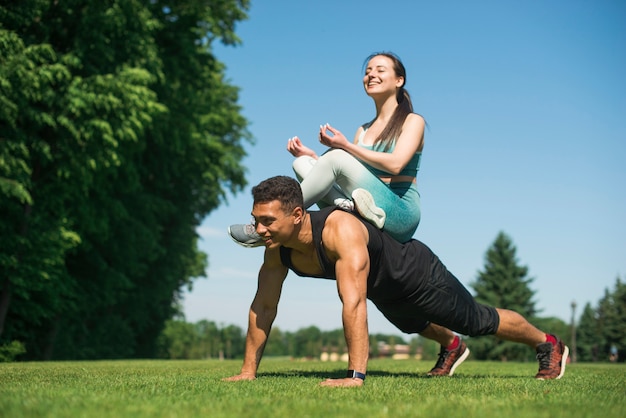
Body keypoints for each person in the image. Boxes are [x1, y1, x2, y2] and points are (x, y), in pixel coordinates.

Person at [223, 176, 569, 387]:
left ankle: (548, 343)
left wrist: (355, 376)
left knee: (476, 321)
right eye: (256, 220)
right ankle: (451, 346)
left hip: (417, 274)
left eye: (267, 220)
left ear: (297, 215)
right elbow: (263, 307)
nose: (259, 229)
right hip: (383, 289)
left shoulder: (339, 230)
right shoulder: (276, 248)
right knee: (412, 324)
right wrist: (248, 370)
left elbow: (353, 303)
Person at [228, 51, 425, 246]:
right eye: (368, 71)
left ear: (399, 80)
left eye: (380, 70)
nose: (371, 75)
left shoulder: (412, 121)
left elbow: (396, 165)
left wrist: (345, 146)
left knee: (336, 157)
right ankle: (349, 208)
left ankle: (269, 222)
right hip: (365, 199)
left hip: (399, 211)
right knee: (302, 163)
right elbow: (347, 171)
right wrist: (314, 157)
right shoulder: (363, 130)